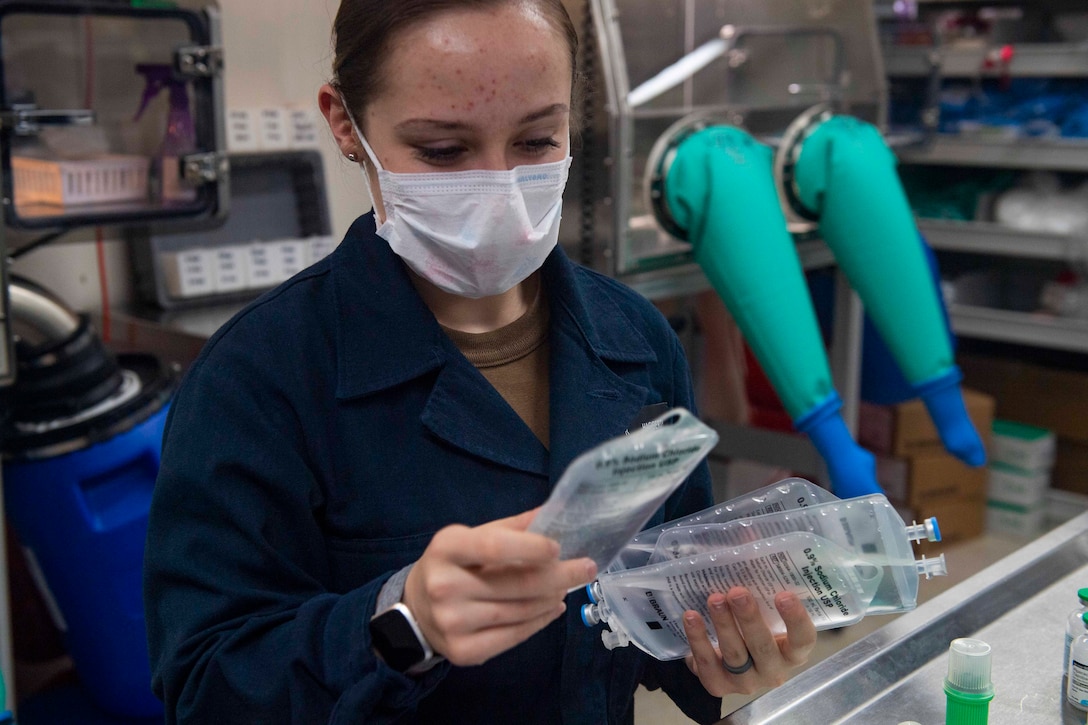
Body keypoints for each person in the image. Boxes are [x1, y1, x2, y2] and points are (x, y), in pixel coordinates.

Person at [142, 1, 817, 723]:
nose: (498, 188)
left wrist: (729, 644)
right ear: (346, 123)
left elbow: (673, 611)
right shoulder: (260, 378)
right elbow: (208, 686)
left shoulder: (638, 340)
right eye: (443, 151)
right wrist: (401, 623)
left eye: (535, 139)